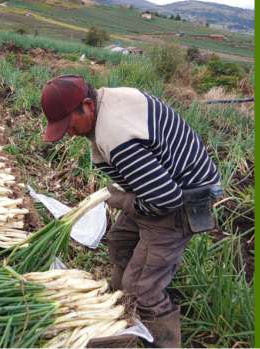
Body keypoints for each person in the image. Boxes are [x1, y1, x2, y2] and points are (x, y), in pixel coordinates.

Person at [40, 74, 222, 349]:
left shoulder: (116, 136)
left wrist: (124, 201)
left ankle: (161, 339)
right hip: (161, 188)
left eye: (69, 124)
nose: (69, 133)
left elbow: (166, 199)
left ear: (87, 105)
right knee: (120, 242)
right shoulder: (108, 100)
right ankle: (117, 307)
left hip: (182, 201)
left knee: (142, 289)